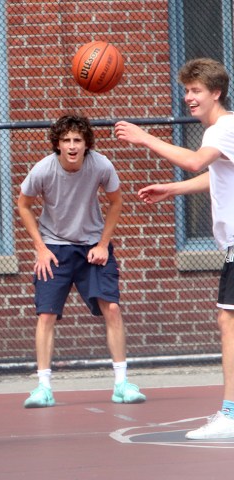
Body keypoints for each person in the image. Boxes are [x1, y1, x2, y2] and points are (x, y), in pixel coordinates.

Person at [115, 57, 234, 439]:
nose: (189, 98)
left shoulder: (222, 129)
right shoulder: (225, 131)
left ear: (216, 92)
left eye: (196, 91)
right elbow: (213, 177)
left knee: (228, 322)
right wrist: (172, 189)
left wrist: (145, 137)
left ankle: (231, 414)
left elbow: (197, 163)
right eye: (186, 91)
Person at [17, 114, 146, 408]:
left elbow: (116, 202)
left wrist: (103, 244)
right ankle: (43, 388)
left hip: (92, 248)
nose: (72, 146)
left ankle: (122, 384)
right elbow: (23, 205)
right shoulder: (43, 170)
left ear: (86, 144)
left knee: (111, 307)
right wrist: (40, 248)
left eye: (78, 140)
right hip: (54, 249)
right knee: (46, 315)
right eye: (66, 140)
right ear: (57, 145)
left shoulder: (100, 165)